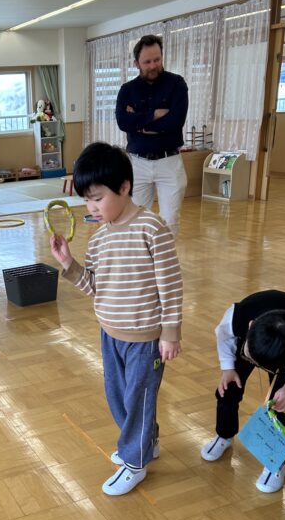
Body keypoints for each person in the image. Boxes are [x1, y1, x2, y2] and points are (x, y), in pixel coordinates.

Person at [49, 142, 182, 496]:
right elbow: (94, 287)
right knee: (119, 397)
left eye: (97, 198)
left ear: (124, 187)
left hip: (145, 339)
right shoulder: (99, 239)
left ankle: (135, 462)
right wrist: (68, 263)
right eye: (86, 201)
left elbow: (171, 284)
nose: (92, 208)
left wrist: (170, 332)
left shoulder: (152, 228)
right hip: (110, 334)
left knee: (138, 399)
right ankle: (144, 443)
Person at [201, 290, 285, 493]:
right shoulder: (237, 316)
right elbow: (224, 337)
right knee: (227, 389)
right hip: (251, 344)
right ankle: (224, 435)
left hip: (283, 353)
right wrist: (227, 368)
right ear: (250, 326)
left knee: (281, 405)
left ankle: (277, 462)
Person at [115, 34, 188, 237]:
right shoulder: (127, 90)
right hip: (137, 163)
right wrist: (154, 115)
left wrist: (139, 122)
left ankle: (164, 258)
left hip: (169, 161)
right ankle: (141, 257)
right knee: (135, 220)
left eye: (157, 59)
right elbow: (123, 122)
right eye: (147, 62)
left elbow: (175, 122)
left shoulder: (176, 84)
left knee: (169, 221)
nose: (153, 65)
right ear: (136, 63)